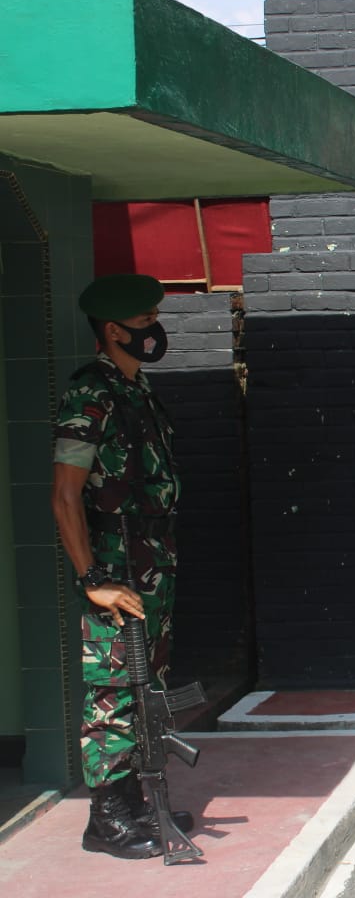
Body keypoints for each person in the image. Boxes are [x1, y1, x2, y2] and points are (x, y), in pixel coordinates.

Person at [51, 274, 192, 859]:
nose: (154, 328)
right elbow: (64, 495)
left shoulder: (136, 389)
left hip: (151, 561)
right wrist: (93, 582)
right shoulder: (91, 396)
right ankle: (106, 819)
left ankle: (140, 799)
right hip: (115, 566)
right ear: (112, 330)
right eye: (145, 320)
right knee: (112, 686)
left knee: (145, 683)